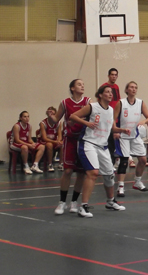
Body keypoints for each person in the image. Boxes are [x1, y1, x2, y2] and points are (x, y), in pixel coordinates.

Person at [71, 86, 130, 218]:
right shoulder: (92, 107)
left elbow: (111, 128)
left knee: (109, 175)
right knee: (93, 173)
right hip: (88, 143)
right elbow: (73, 116)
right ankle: (83, 206)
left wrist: (122, 130)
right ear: (101, 95)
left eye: (111, 92)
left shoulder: (110, 110)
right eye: (107, 92)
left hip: (102, 146)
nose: (110, 94)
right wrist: (86, 124)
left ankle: (110, 201)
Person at [50, 79, 90, 215]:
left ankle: (74, 201)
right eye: (79, 84)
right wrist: (51, 117)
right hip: (70, 139)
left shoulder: (87, 102)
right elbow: (56, 119)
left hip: (84, 139)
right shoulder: (65, 102)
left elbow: (92, 118)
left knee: (81, 173)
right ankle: (62, 202)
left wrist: (80, 121)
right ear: (72, 88)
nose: (82, 86)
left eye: (83, 84)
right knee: (67, 171)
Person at [113, 81, 148, 196]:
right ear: (126, 90)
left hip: (135, 135)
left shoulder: (140, 103)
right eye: (131, 87)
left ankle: (137, 182)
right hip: (123, 136)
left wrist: (143, 121)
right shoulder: (121, 103)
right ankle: (120, 187)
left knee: (143, 160)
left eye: (135, 87)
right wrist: (115, 130)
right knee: (124, 161)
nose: (134, 89)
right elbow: (113, 119)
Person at [101, 68, 121, 165]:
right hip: (107, 117)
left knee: (114, 142)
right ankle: (106, 163)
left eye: (115, 75)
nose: (114, 76)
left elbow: (118, 102)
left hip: (115, 117)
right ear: (108, 75)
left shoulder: (116, 87)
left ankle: (112, 163)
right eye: (112, 74)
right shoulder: (104, 86)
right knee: (107, 141)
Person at [37, 106, 63, 172]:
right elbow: (44, 138)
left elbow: (60, 135)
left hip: (53, 141)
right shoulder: (43, 123)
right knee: (49, 145)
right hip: (43, 141)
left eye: (53, 114)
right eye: (50, 114)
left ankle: (61, 163)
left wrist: (59, 141)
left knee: (62, 144)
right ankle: (50, 164)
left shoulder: (59, 123)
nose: (51, 116)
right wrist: (55, 142)